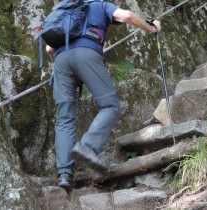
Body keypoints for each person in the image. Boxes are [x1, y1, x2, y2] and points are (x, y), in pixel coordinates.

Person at [46, 0, 161, 189]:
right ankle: (87, 146)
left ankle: (65, 175)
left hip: (60, 61)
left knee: (64, 118)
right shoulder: (99, 4)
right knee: (110, 106)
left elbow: (49, 48)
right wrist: (152, 28)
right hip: (87, 54)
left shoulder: (61, 10)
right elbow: (127, 16)